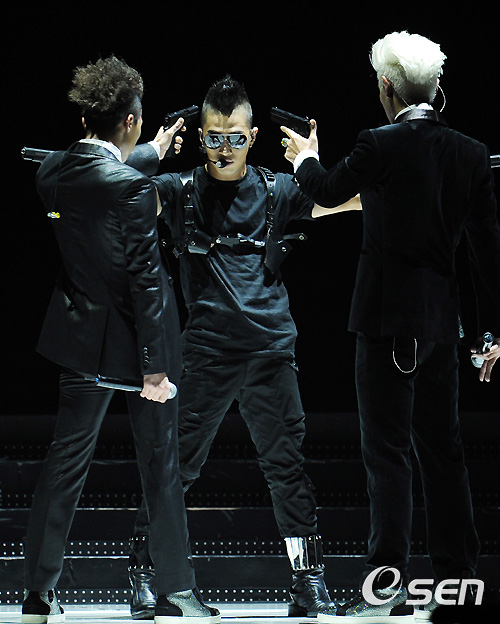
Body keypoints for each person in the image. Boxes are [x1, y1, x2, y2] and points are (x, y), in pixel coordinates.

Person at [281, 31, 500, 622]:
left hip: (387, 324)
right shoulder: (471, 153)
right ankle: (459, 582)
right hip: (442, 327)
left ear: (385, 87)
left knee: (387, 456)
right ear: (436, 87)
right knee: (445, 454)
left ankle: (388, 586)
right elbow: (488, 253)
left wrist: (305, 157)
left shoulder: (378, 143)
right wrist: (492, 332)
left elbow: (325, 189)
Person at [127, 75, 361, 618]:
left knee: (287, 469)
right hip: (204, 354)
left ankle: (309, 582)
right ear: (200, 137)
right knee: (175, 467)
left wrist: (313, 164)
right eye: (214, 138)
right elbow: (113, 195)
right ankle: (144, 574)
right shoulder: (179, 191)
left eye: (235, 137)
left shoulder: (279, 191)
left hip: (270, 351)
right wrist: (149, 153)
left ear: (253, 137)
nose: (224, 148)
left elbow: (352, 200)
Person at [21, 55, 220, 624]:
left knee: (65, 463)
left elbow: (91, 170)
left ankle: (37, 593)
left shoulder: (49, 174)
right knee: (160, 465)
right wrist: (155, 367)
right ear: (129, 121)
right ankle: (177, 591)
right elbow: (146, 280)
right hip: (137, 348)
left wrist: (151, 149)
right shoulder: (133, 189)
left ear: (86, 117)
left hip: (79, 340)